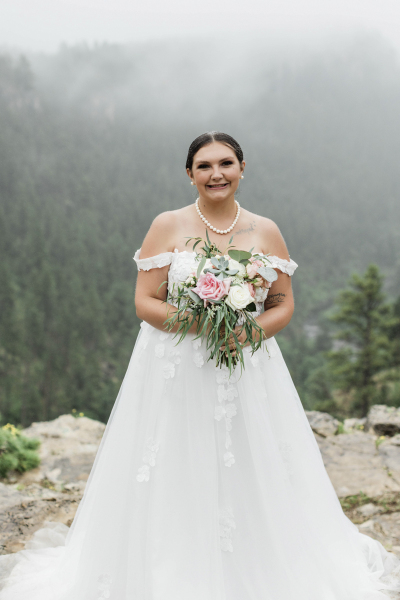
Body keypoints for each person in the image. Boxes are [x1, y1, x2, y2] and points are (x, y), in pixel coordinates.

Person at [0, 131, 400, 599]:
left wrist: (247, 330)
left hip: (246, 366)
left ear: (242, 168)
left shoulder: (265, 230)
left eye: (226, 163)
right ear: (189, 174)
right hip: (176, 366)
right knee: (172, 459)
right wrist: (200, 323)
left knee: (250, 461)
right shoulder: (167, 225)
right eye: (205, 166)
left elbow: (281, 303)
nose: (217, 174)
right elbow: (144, 302)